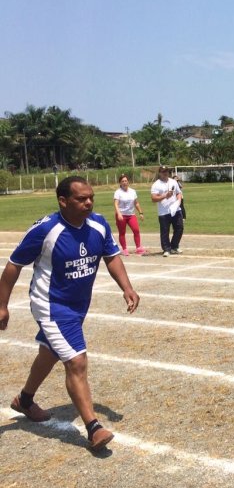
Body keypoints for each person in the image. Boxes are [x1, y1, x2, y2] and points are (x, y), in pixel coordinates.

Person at [0, 176, 139, 451]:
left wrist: (127, 287)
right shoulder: (46, 230)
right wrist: (2, 305)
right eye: (80, 199)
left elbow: (111, 257)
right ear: (63, 201)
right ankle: (93, 428)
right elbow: (14, 265)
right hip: (50, 305)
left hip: (78, 305)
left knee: (50, 352)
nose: (88, 203)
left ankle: (24, 400)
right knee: (76, 361)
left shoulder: (98, 224)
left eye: (90, 198)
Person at [150, 166, 183, 257]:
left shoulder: (173, 182)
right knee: (165, 231)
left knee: (179, 228)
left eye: (167, 171)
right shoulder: (156, 184)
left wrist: (179, 201)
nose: (165, 173)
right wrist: (165, 195)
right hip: (163, 212)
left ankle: (174, 246)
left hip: (176, 210)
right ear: (160, 173)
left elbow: (178, 193)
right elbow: (153, 198)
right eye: (163, 172)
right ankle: (166, 249)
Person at [113, 174, 146, 256]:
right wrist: (119, 214)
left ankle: (138, 248)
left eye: (126, 181)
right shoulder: (118, 192)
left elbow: (136, 203)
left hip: (131, 215)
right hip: (122, 215)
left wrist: (140, 213)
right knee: (122, 232)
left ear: (128, 182)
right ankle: (124, 249)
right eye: (123, 181)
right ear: (120, 183)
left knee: (136, 230)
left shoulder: (132, 191)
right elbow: (116, 204)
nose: (124, 182)